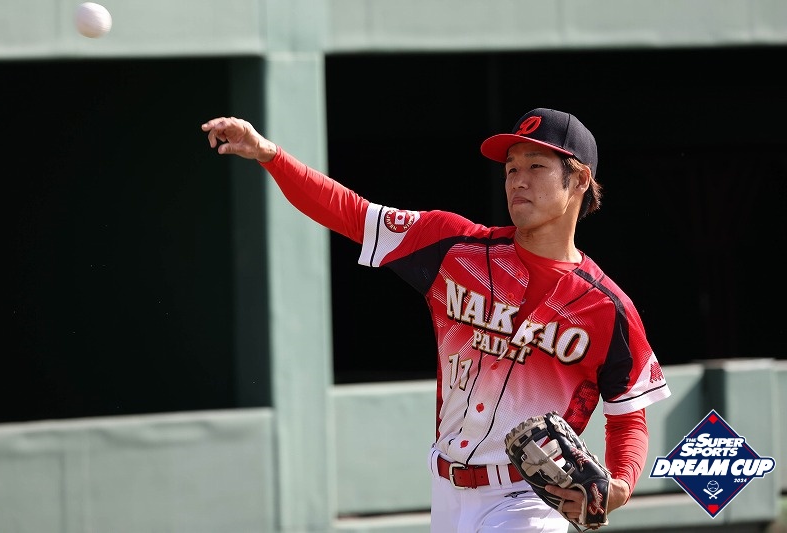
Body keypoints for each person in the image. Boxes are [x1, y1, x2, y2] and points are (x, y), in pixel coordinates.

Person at [202, 108, 672, 532]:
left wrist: (619, 486)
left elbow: (629, 420)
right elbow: (351, 213)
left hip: (529, 499)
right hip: (445, 489)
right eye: (511, 169)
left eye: (535, 166)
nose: (517, 180)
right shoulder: (454, 248)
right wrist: (269, 155)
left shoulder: (607, 308)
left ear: (580, 179)